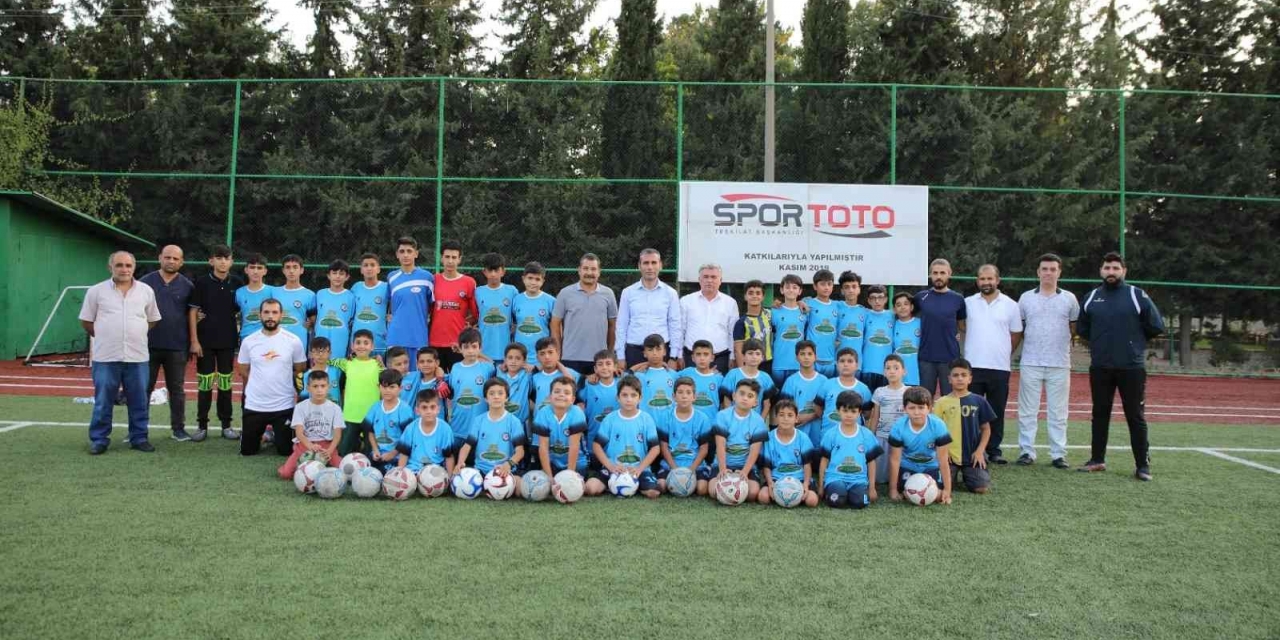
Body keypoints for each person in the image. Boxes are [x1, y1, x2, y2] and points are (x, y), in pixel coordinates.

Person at [1077, 251, 1164, 481]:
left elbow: (1156, 325)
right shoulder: (1091, 297)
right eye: (1107, 268)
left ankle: (1142, 465)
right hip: (1100, 366)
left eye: (1116, 268)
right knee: (1100, 413)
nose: (1111, 272)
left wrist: (1133, 343)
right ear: (1101, 271)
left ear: (1124, 271)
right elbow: (1083, 329)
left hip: (1131, 368)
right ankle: (1097, 459)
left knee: (1135, 416)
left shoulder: (1136, 295)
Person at [79, 251, 162, 454]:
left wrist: (135, 332)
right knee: (103, 401)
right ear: (110, 267)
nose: (124, 269)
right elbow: (87, 321)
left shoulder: (146, 291)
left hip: (137, 356)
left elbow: (152, 320)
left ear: (134, 268)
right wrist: (107, 335)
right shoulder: (96, 291)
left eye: (128, 265)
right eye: (119, 265)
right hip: (106, 357)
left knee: (139, 400)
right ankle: (99, 440)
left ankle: (139, 438)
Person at [1016, 253, 1080, 468]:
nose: (1048, 273)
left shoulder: (1069, 299)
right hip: (1030, 362)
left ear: (1059, 272)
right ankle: (1026, 452)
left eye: (1053, 269)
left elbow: (1074, 328)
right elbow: (1020, 328)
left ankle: (1058, 454)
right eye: (1044, 269)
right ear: (1038, 272)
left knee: (1058, 412)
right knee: (1027, 411)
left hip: (1059, 363)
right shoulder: (1025, 298)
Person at [962, 264, 1022, 465]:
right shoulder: (968, 303)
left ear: (998, 280)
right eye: (982, 279)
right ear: (977, 281)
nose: (986, 282)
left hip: (999, 367)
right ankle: (972, 449)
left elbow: (1016, 334)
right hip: (973, 366)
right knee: (972, 411)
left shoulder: (1011, 305)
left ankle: (994, 450)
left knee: (996, 411)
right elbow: (961, 326)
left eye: (990, 278)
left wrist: (1003, 353)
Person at [237, 299, 308, 456]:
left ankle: (274, 434)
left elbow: (300, 368)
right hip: (255, 405)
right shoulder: (249, 341)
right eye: (266, 312)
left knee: (285, 451)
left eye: (274, 312)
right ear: (260, 315)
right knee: (247, 451)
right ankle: (266, 435)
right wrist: (259, 386)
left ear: (281, 315)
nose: (270, 316)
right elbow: (243, 369)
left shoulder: (293, 341)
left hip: (283, 406)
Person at [188, 245, 244, 442]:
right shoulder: (201, 283)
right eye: (219, 258)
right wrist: (194, 340)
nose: (223, 262)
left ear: (231, 261)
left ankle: (226, 425)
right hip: (205, 343)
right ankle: (202, 426)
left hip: (227, 342)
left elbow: (243, 309)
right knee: (205, 385)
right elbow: (193, 312)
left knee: (225, 385)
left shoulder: (237, 283)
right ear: (211, 261)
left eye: (226, 258)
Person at [139, 244, 193, 443]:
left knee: (177, 390)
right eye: (167, 257)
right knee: (143, 388)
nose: (171, 261)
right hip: (147, 345)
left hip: (177, 346)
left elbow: (193, 315)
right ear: (160, 258)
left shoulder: (188, 286)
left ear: (182, 262)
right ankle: (138, 429)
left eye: (175, 258)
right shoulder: (144, 283)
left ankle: (178, 429)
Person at [586, 376, 661, 499]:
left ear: (640, 398)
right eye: (624, 395)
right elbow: (596, 445)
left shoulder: (646, 419)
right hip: (614, 468)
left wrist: (639, 469)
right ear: (618, 397)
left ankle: (633, 484)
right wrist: (610, 466)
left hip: (637, 468)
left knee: (654, 492)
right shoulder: (610, 419)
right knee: (591, 488)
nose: (629, 399)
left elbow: (655, 448)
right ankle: (617, 483)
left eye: (633, 395)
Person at [454, 378, 526, 496]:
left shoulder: (514, 422)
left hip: (504, 471)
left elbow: (520, 451)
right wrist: (460, 462)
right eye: (491, 393)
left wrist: (508, 464)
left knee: (521, 489)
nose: (496, 397)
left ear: (506, 397)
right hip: (480, 472)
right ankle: (484, 486)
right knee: (460, 485)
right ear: (486, 399)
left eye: (500, 393)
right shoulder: (479, 420)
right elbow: (467, 446)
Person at [934, 359, 995, 494]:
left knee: (981, 488)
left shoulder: (979, 400)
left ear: (970, 379)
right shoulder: (941, 403)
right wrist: (943, 452)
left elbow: (986, 429)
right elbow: (935, 432)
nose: (960, 378)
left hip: (972, 454)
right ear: (949, 379)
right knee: (941, 486)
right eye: (955, 375)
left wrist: (980, 451)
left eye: (963, 375)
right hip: (949, 455)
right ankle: (954, 474)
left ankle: (971, 474)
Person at [615, 248, 681, 370]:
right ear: (639, 266)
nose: (650, 267)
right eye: (646, 263)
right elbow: (621, 326)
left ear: (660, 265)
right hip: (634, 352)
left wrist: (673, 357)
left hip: (661, 353)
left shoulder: (670, 293)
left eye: (654, 263)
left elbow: (675, 326)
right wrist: (620, 356)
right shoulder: (628, 292)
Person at [552, 253, 618, 375]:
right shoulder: (565, 293)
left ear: (599, 272)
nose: (589, 272)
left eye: (593, 269)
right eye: (586, 268)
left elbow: (612, 326)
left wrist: (610, 353)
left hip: (600, 359)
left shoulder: (608, 294)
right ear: (579, 270)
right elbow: (555, 324)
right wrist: (558, 353)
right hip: (570, 357)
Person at [887, 386, 954, 504]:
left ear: (929, 408)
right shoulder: (898, 427)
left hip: (931, 466)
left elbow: (943, 460)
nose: (917, 412)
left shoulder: (938, 426)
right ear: (904, 409)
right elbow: (895, 460)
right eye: (912, 408)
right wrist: (892, 490)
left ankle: (931, 493)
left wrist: (947, 491)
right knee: (907, 493)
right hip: (908, 466)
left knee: (939, 496)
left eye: (921, 407)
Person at [817, 390, 881, 509]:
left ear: (859, 412)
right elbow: (824, 461)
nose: (849, 415)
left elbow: (871, 462)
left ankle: (853, 493)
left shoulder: (866, 435)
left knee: (861, 503)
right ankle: (836, 492)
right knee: (836, 501)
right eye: (845, 410)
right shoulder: (831, 434)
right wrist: (821, 486)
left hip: (858, 479)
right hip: (835, 477)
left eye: (853, 411)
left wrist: (872, 488)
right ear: (838, 411)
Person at [276, 370, 344, 479]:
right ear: (308, 388)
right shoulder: (300, 407)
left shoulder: (335, 408)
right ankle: (299, 466)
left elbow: (337, 435)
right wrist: (310, 446)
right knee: (286, 474)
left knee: (343, 470)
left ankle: (323, 466)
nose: (319, 390)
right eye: (315, 386)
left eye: (323, 386)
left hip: (326, 445)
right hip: (305, 444)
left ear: (329, 387)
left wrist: (330, 451)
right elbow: (299, 433)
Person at [914, 258, 966, 396]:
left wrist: (956, 334)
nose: (938, 276)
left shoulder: (958, 299)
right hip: (926, 357)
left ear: (949, 274)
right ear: (930, 274)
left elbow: (962, 325)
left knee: (950, 400)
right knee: (924, 399)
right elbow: (906, 317)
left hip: (950, 358)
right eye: (935, 273)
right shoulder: (920, 297)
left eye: (942, 273)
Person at [711, 379, 767, 502]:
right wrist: (722, 469)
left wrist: (745, 472)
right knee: (713, 491)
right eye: (741, 393)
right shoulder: (722, 416)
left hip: (745, 465)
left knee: (752, 493)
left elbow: (754, 451)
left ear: (755, 402)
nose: (745, 398)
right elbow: (720, 445)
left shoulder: (758, 421)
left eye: (750, 396)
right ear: (734, 396)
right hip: (724, 463)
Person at [655, 377, 713, 496]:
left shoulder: (702, 418)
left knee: (702, 489)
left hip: (694, 464)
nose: (684, 396)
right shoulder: (665, 417)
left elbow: (704, 449)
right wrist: (675, 469)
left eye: (688, 392)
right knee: (661, 486)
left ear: (694, 396)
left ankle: (701, 474)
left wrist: (691, 470)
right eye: (680, 392)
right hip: (671, 463)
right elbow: (664, 447)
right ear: (673, 396)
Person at [331, 330, 385, 456]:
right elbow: (329, 361)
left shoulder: (378, 365)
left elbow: (390, 378)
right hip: (350, 416)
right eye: (358, 342)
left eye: (366, 343)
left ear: (372, 346)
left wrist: (382, 362)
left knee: (370, 455)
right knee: (343, 452)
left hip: (371, 417)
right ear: (352, 346)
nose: (362, 346)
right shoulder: (347, 363)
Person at [757, 399, 820, 507]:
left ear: (796, 418)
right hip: (777, 478)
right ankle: (786, 496)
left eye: (790, 415)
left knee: (812, 501)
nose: (785, 419)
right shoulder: (769, 438)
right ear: (776, 417)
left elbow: (807, 465)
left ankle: (794, 495)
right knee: (763, 497)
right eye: (781, 415)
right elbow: (766, 467)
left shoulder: (803, 438)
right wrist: (770, 483)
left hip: (799, 478)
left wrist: (805, 484)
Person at [679, 264, 737, 374]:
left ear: (720, 280)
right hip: (692, 358)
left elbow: (732, 333)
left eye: (713, 277)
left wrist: (732, 357)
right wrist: (678, 355)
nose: (709, 280)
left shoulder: (730, 303)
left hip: (720, 358)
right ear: (699, 280)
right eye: (705, 277)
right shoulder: (686, 301)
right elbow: (680, 330)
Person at [444, 328, 496, 452]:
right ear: (460, 348)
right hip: (458, 426)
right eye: (466, 347)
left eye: (474, 346)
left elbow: (493, 363)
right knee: (456, 459)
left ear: (480, 348)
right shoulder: (455, 368)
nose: (470, 351)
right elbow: (451, 393)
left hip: (480, 428)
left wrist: (481, 355)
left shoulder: (487, 368)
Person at [387, 237, 436, 366]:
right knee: (395, 376)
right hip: (396, 336)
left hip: (418, 336)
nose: (405, 255)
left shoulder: (427, 277)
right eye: (402, 251)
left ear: (416, 254)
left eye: (409, 251)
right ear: (397, 254)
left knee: (417, 375)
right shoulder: (391, 277)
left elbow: (432, 306)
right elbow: (389, 304)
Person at [429, 239, 476, 371]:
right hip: (435, 342)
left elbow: (475, 313)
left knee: (457, 380)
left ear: (459, 259)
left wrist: (468, 325)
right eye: (447, 257)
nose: (450, 261)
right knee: (437, 380)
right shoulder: (433, 280)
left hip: (458, 344)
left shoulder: (469, 282)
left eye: (454, 257)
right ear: (441, 258)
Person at [532, 376, 589, 478]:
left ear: (573, 399)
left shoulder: (577, 413)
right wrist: (549, 476)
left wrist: (569, 476)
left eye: (566, 393)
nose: (561, 395)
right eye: (557, 391)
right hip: (553, 463)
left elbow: (574, 446)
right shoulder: (543, 413)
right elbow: (543, 447)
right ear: (550, 397)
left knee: (570, 485)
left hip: (577, 463)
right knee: (544, 484)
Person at [866, 354, 909, 485]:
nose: (892, 371)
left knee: (901, 476)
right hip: (882, 437)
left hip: (902, 438)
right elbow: (875, 416)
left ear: (904, 371)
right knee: (879, 478)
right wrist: (871, 436)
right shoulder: (879, 392)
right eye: (888, 368)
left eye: (896, 368)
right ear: (884, 372)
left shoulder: (909, 391)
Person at [363, 369, 416, 472]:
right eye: (384, 387)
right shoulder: (375, 407)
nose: (387, 390)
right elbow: (370, 431)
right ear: (378, 387)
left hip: (398, 456)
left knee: (387, 476)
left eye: (392, 387)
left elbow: (408, 438)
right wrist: (375, 449)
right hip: (378, 455)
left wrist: (392, 454)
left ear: (400, 388)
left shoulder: (404, 410)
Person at [394, 388, 456, 474]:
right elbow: (404, 454)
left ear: (438, 409)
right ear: (417, 410)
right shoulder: (411, 428)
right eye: (424, 407)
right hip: (414, 470)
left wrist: (449, 477)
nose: (428, 411)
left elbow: (449, 457)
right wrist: (400, 474)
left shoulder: (445, 429)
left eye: (432, 407)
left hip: (436, 471)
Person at [778, 340, 828, 447]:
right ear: (796, 357)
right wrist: (799, 418)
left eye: (810, 354)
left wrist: (809, 416)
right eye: (802, 354)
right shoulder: (790, 382)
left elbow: (827, 410)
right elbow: (785, 410)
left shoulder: (824, 381)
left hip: (818, 433)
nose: (806, 357)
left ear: (815, 357)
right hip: (797, 433)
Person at [817, 348, 872, 437]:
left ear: (857, 365)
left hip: (853, 438)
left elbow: (867, 414)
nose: (845, 364)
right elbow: (818, 408)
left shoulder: (864, 389)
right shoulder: (827, 384)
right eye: (842, 361)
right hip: (828, 434)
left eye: (850, 361)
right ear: (836, 364)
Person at [475, 252, 518, 362]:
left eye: (496, 270)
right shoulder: (478, 292)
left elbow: (517, 317)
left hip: (506, 350)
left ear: (503, 271)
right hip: (483, 352)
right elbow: (473, 316)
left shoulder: (512, 291)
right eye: (490, 270)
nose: (493, 274)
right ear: (484, 272)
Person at [720, 339, 776, 418]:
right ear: (743, 356)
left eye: (757, 354)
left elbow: (767, 405)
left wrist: (760, 421)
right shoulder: (732, 374)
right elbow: (727, 402)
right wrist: (730, 420)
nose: (754, 357)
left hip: (754, 422)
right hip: (734, 421)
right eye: (750, 353)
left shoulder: (766, 378)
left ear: (762, 357)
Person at [579, 350, 620, 455]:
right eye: (600, 364)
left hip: (617, 437)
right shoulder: (588, 386)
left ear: (615, 367)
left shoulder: (622, 385)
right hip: (594, 436)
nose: (604, 367)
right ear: (595, 369)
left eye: (608, 364)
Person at [770, 275, 808, 386]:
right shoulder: (774, 311)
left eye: (794, 287)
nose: (791, 290)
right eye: (787, 287)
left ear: (800, 291)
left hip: (798, 364)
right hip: (779, 363)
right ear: (782, 290)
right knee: (777, 395)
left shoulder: (805, 311)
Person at [274, 254, 316, 351]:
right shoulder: (274, 292)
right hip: (276, 343)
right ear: (283, 270)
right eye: (288, 267)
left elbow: (314, 322)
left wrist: (310, 324)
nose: (291, 271)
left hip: (299, 342)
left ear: (302, 270)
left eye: (295, 267)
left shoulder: (310, 295)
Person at [315, 260, 355, 360]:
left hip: (340, 341)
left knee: (336, 366)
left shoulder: (351, 297)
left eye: (341, 274)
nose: (337, 276)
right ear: (328, 275)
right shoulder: (320, 294)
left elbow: (352, 321)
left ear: (347, 277)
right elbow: (313, 317)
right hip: (320, 339)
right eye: (334, 273)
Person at [512, 261, 556, 354]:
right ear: (523, 279)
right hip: (520, 355)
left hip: (542, 354)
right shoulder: (516, 299)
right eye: (530, 278)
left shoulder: (551, 301)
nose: (533, 282)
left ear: (543, 281)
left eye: (537, 279)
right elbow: (513, 324)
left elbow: (555, 329)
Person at [677, 340, 725, 424]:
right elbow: (669, 376)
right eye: (698, 354)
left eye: (706, 354)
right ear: (693, 357)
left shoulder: (719, 378)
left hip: (711, 423)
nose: (702, 358)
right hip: (690, 423)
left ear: (712, 358)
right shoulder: (686, 373)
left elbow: (724, 403)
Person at [530, 337, 580, 416]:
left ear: (558, 354)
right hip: (540, 422)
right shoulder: (535, 377)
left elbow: (582, 396)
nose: (547, 357)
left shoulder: (571, 373)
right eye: (542, 353)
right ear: (537, 358)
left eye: (550, 352)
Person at [352, 252, 389, 358]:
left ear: (378, 269)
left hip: (379, 342)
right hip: (358, 344)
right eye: (366, 265)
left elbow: (394, 308)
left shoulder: (386, 287)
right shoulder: (356, 287)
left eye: (372, 265)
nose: (369, 268)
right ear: (361, 270)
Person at [804, 270, 840, 376]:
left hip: (830, 359)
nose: (826, 287)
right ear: (815, 286)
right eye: (823, 284)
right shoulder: (807, 304)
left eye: (829, 284)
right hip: (811, 359)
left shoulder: (838, 306)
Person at [631, 333, 678, 416]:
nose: (654, 353)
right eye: (650, 350)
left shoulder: (673, 374)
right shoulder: (639, 376)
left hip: (669, 421)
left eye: (658, 349)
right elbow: (625, 375)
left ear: (664, 352)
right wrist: (645, 364)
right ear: (644, 353)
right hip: (647, 422)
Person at [732, 280, 772, 376]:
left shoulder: (769, 314)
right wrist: (742, 373)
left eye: (758, 293)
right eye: (750, 293)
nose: (754, 296)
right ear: (745, 296)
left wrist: (800, 303)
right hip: (750, 365)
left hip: (768, 364)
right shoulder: (741, 323)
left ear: (763, 297)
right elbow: (738, 351)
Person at [235, 253, 274, 342]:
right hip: (246, 338)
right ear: (246, 270)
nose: (255, 271)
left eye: (259, 268)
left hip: (268, 338)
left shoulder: (273, 291)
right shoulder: (239, 293)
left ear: (265, 271)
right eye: (252, 267)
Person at [860, 286, 895, 376]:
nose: (877, 301)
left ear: (886, 299)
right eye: (873, 298)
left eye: (880, 297)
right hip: (867, 368)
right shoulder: (864, 314)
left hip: (888, 370)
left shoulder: (893, 316)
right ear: (869, 300)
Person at [494, 343, 532, 425]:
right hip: (500, 422)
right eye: (510, 358)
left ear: (524, 360)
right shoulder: (498, 372)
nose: (513, 361)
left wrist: (532, 368)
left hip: (520, 423)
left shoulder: (527, 375)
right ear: (505, 359)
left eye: (518, 358)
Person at [297, 337, 343, 404]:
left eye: (324, 351)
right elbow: (303, 398)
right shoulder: (305, 376)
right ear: (310, 354)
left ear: (330, 353)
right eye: (316, 351)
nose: (320, 354)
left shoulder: (337, 372)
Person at [835, 271, 866, 365]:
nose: (851, 290)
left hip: (857, 363)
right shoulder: (835, 306)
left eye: (854, 286)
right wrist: (801, 302)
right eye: (847, 287)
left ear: (859, 289)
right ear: (842, 291)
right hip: (838, 362)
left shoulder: (865, 312)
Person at [890, 292, 922, 386]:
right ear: (894, 309)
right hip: (898, 377)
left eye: (906, 304)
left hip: (918, 375)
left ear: (911, 307)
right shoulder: (892, 325)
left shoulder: (921, 323)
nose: (903, 307)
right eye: (898, 305)